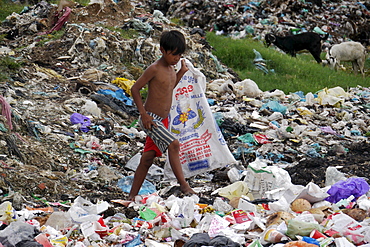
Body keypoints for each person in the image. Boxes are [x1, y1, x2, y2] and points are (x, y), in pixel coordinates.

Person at [128, 30, 196, 201]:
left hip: (163, 120)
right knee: (174, 144)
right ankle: (184, 186)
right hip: (150, 119)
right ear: (162, 50)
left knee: (147, 159)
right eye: (173, 54)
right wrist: (143, 114)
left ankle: (131, 197)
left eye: (180, 55)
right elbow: (135, 89)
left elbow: (168, 89)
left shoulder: (172, 68)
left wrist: (181, 72)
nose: (177, 58)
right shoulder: (155, 69)